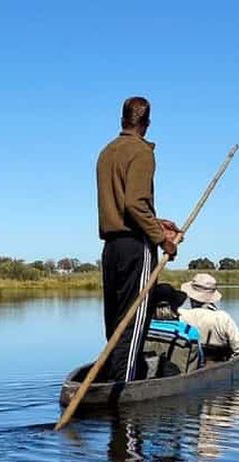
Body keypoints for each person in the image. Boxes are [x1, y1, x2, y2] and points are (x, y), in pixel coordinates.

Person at [97, 96, 182, 381]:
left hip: (112, 248)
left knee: (116, 323)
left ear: (122, 119)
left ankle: (113, 380)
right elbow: (134, 204)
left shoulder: (107, 152)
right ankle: (126, 390)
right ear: (146, 124)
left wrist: (157, 221)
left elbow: (124, 206)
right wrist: (162, 239)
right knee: (133, 324)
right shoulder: (142, 152)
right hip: (136, 247)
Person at [176, 273, 239, 357]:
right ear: (212, 297)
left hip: (192, 363)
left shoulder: (181, 315)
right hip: (217, 362)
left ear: (191, 296)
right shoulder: (222, 318)